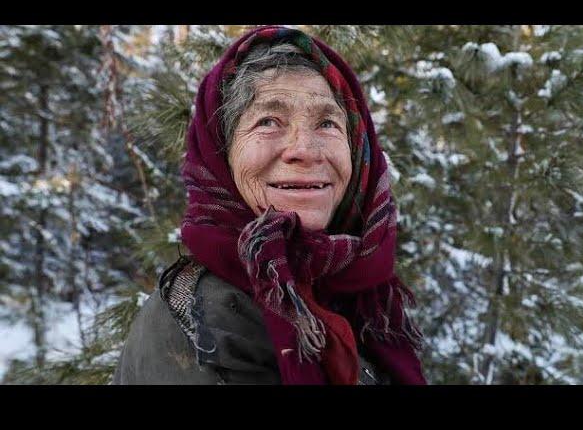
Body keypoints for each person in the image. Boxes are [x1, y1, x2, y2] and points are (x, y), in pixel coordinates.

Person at [112, 26, 427, 385]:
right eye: (268, 121)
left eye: (326, 122)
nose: (305, 150)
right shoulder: (198, 324)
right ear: (221, 155)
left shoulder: (364, 301)